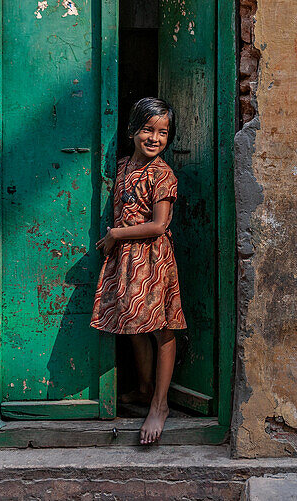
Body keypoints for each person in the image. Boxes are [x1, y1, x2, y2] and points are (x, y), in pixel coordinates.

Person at [91, 97, 186, 445]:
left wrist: (116, 234)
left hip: (152, 258)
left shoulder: (163, 175)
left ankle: (159, 406)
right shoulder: (121, 168)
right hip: (126, 260)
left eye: (162, 132)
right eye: (148, 129)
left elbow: (159, 225)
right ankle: (145, 388)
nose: (154, 138)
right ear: (133, 131)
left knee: (161, 328)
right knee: (132, 324)